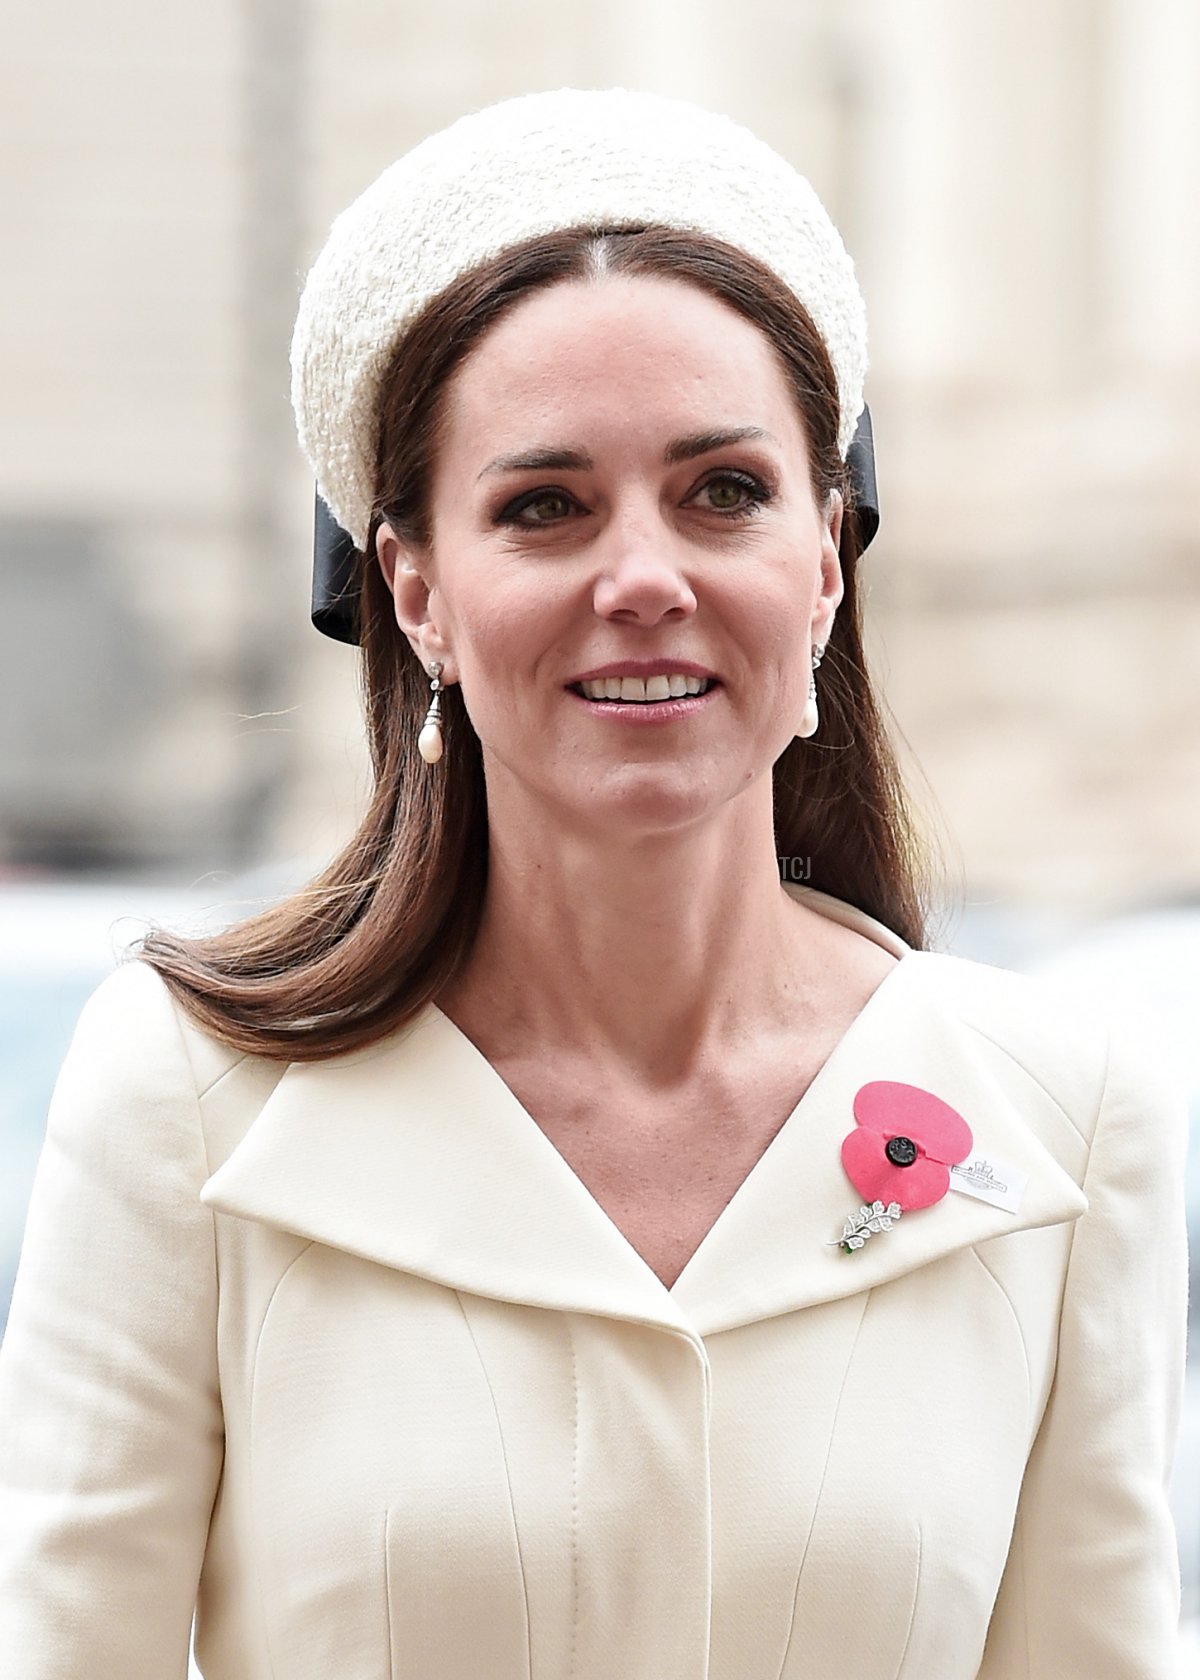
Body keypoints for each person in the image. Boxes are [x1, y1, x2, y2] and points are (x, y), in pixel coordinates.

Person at [0, 88, 1188, 1680]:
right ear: (415, 589)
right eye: (544, 508)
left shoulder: (1065, 1121)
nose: (645, 578)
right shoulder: (187, 1102)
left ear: (824, 561)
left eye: (725, 493)